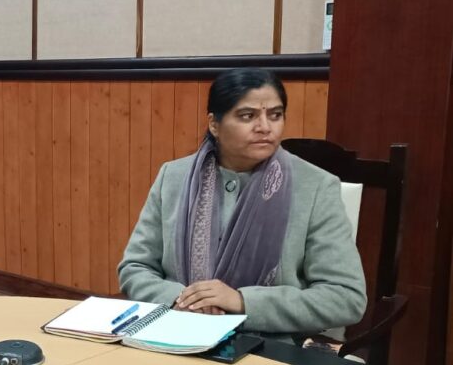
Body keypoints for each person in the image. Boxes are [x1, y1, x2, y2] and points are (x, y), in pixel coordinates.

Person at [118, 67, 366, 341]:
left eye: (275, 115)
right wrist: (184, 299)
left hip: (270, 347)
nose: (265, 127)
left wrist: (242, 301)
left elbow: (345, 297)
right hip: (177, 331)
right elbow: (135, 267)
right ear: (214, 124)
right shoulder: (174, 177)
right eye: (248, 116)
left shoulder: (315, 186)